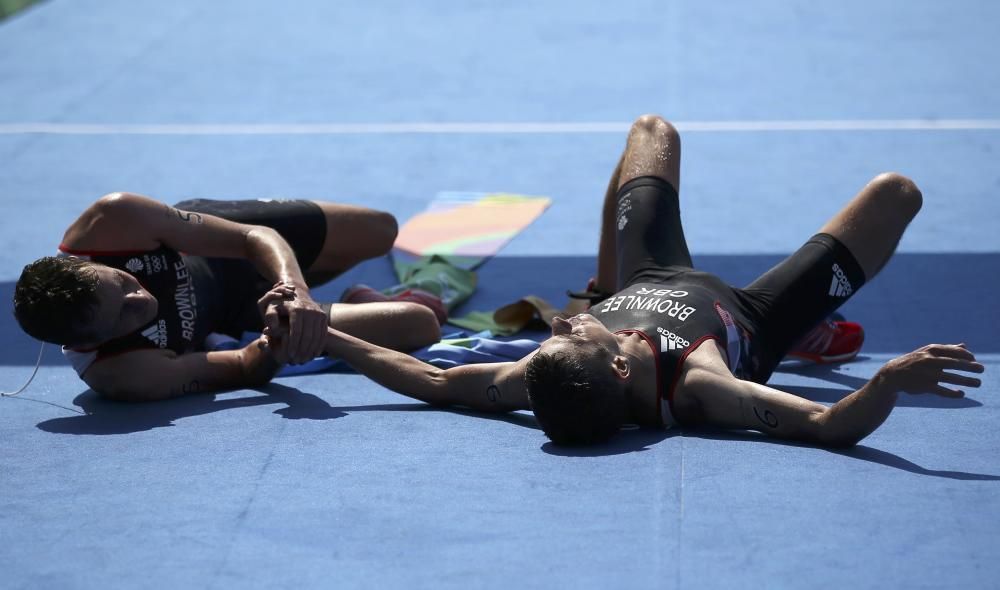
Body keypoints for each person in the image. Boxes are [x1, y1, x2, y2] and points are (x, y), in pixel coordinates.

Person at [260, 114, 985, 448]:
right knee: (897, 193)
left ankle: (606, 273)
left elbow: (434, 382)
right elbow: (826, 424)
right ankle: (809, 328)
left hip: (645, 272)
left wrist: (329, 337)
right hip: (761, 314)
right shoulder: (703, 389)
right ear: (614, 360)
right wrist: (886, 382)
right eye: (576, 330)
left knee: (652, 130)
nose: (564, 322)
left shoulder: (541, 378)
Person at [13, 194, 443, 401]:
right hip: (244, 317)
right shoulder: (122, 374)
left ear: (90, 261)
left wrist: (293, 291)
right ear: (91, 341)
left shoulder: (113, 219)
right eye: (124, 316)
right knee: (418, 321)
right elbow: (241, 366)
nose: (139, 300)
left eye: (123, 282)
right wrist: (275, 342)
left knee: (381, 230)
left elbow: (254, 237)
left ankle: (321, 285)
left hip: (226, 247)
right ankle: (351, 297)